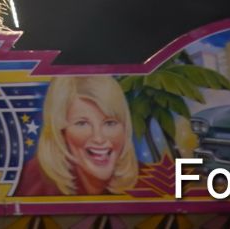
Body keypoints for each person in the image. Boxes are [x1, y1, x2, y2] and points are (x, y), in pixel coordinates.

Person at [13, 74, 146, 196]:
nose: (99, 138)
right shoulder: (31, 183)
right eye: (82, 123)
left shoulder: (149, 181)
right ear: (61, 132)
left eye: (110, 123)